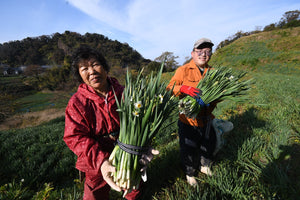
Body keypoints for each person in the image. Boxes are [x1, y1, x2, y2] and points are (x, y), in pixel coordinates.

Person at [63, 46, 158, 200]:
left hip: (127, 151)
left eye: (95, 64)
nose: (92, 71)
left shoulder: (126, 93)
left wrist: (143, 144)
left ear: (105, 68)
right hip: (94, 158)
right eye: (84, 68)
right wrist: (102, 162)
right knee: (94, 194)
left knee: (133, 189)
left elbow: (141, 123)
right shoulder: (77, 103)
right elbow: (75, 137)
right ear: (80, 76)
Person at [166, 38, 218, 186]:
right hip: (187, 120)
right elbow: (169, 89)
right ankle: (189, 173)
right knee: (188, 147)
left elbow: (221, 94)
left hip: (207, 118)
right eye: (200, 51)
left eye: (207, 51)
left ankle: (205, 166)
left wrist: (212, 99)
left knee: (208, 143)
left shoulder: (213, 72)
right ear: (192, 54)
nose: (203, 54)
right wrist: (182, 88)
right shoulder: (182, 70)